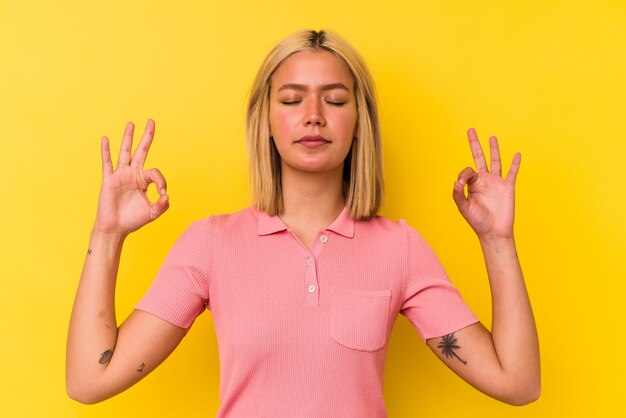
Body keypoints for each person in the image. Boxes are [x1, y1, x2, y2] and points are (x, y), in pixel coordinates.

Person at [66, 29, 540, 416]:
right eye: (292, 100)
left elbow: (517, 383)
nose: (313, 117)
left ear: (360, 121)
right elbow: (90, 380)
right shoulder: (211, 244)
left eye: (334, 100)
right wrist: (107, 235)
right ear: (266, 121)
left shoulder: (400, 249)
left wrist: (497, 241)